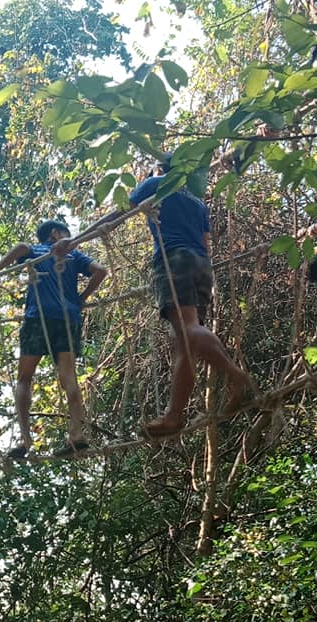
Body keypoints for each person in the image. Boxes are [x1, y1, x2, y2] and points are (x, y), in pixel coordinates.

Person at [85, 153, 253, 437]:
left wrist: (76, 240)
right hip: (201, 265)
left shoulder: (157, 183)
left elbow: (119, 212)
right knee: (184, 340)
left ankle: (236, 378)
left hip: (173, 257)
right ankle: (174, 415)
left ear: (161, 169)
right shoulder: (197, 199)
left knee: (186, 330)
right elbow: (205, 242)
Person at [0, 220, 108, 458]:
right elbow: (101, 271)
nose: (72, 239)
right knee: (69, 377)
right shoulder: (74, 254)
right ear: (55, 233)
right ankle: (76, 434)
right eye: (67, 234)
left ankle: (25, 440)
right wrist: (81, 298)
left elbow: (20, 247)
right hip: (68, 319)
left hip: (38, 317)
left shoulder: (36, 251)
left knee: (24, 378)